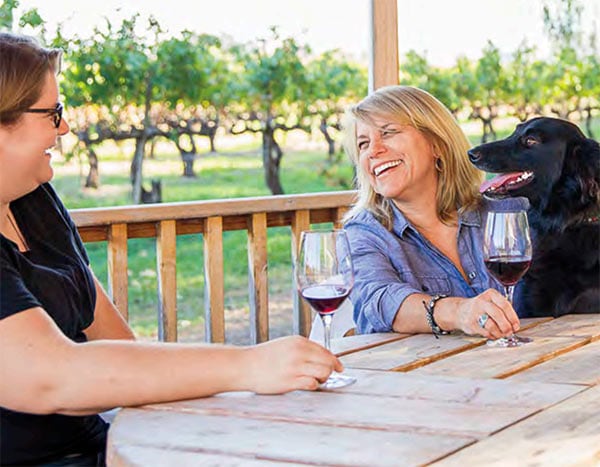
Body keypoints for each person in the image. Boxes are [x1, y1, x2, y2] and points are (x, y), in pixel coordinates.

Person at [0, 32, 342, 466]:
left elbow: (117, 341)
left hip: (101, 451)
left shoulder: (36, 201)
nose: (66, 127)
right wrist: (248, 366)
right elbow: (47, 377)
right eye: (53, 113)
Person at [341, 85, 528, 338]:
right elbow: (378, 300)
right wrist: (458, 312)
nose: (373, 151)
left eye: (388, 132)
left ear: (437, 144)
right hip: (420, 374)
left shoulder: (505, 210)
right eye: (363, 144)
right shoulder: (365, 232)